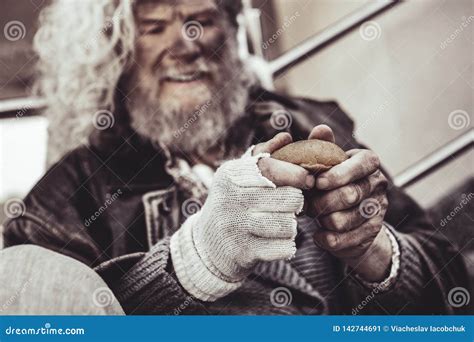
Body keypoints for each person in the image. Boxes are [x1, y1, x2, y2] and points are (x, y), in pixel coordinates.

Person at [1, 0, 468, 315]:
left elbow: (451, 291)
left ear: (231, 32)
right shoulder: (68, 196)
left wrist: (376, 250)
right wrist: (197, 259)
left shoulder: (310, 122)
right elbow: (42, 313)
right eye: (154, 27)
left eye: (201, 18)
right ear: (116, 51)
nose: (186, 44)